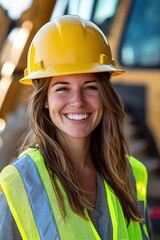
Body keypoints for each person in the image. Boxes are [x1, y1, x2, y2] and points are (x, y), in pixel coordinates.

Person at [0, 15, 152, 240]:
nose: (78, 101)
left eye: (90, 87)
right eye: (62, 88)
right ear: (44, 99)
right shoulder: (21, 184)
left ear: (105, 94)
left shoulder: (130, 174)